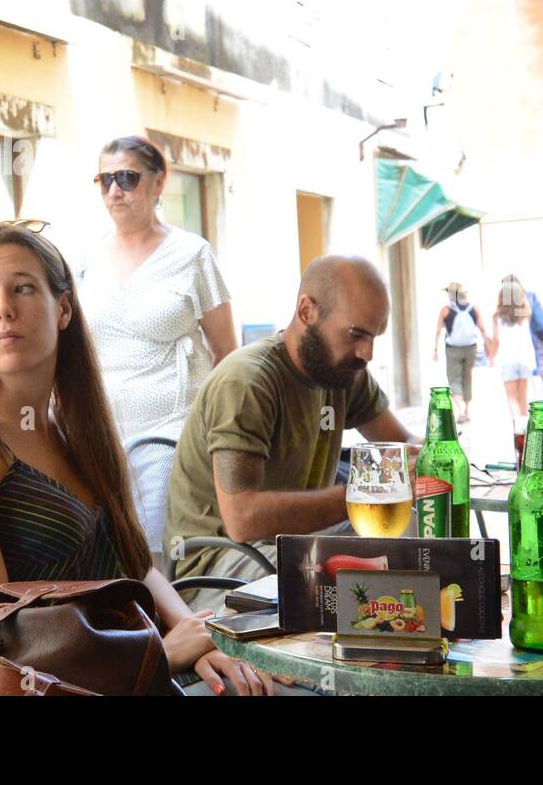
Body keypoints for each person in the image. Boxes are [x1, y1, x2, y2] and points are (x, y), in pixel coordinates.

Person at [0, 223, 273, 695]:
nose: (4, 310)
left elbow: (134, 561)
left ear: (65, 309)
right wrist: (159, 653)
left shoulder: (71, 429)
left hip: (130, 671)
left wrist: (199, 636)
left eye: (23, 288)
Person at [165, 255, 420, 610]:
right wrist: (364, 496)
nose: (367, 352)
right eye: (356, 334)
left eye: (374, 336)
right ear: (306, 311)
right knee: (349, 592)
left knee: (412, 535)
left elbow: (402, 443)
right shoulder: (247, 382)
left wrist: (429, 455)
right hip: (218, 564)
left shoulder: (343, 372)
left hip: (295, 545)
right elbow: (243, 519)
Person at [79, 136, 237, 564]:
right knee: (105, 552)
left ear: (158, 183)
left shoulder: (192, 254)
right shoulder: (86, 258)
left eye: (127, 178)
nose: (115, 191)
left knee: (156, 553)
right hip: (100, 431)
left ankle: (169, 630)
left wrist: (218, 436)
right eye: (105, 180)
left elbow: (226, 352)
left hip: (171, 431)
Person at [432, 282, 490, 423]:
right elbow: (482, 329)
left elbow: (439, 330)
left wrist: (435, 350)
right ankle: (467, 410)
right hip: (471, 347)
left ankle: (461, 409)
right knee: (467, 377)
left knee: (454, 378)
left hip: (453, 349)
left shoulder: (445, 310)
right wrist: (488, 347)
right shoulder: (473, 308)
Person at [490, 274, 539, 417]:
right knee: (523, 397)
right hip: (525, 358)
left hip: (507, 359)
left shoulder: (496, 317)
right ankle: (524, 429)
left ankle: (518, 429)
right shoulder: (524, 314)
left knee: (511, 398)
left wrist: (491, 357)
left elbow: (496, 340)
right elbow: (526, 304)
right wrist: (518, 293)